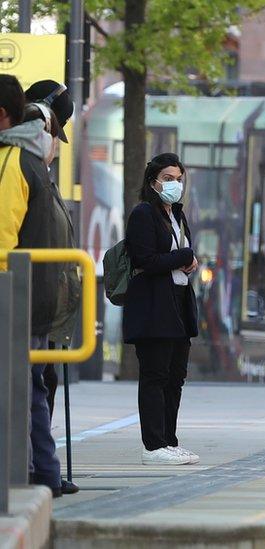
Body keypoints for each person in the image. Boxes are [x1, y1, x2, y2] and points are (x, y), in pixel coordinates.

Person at [0, 76, 77, 497]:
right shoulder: (31, 161)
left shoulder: (16, 161)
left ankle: (38, 473)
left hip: (25, 293)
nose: (52, 142)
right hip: (41, 291)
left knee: (30, 387)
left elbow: (6, 238)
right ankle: (42, 472)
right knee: (34, 387)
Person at [123, 153, 200, 465]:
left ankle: (169, 440)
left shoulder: (177, 216)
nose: (174, 184)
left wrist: (189, 259)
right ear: (153, 181)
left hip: (178, 303)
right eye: (168, 178)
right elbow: (145, 259)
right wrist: (184, 255)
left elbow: (181, 256)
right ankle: (153, 445)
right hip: (154, 306)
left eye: (179, 179)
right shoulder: (143, 214)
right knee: (155, 375)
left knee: (175, 377)